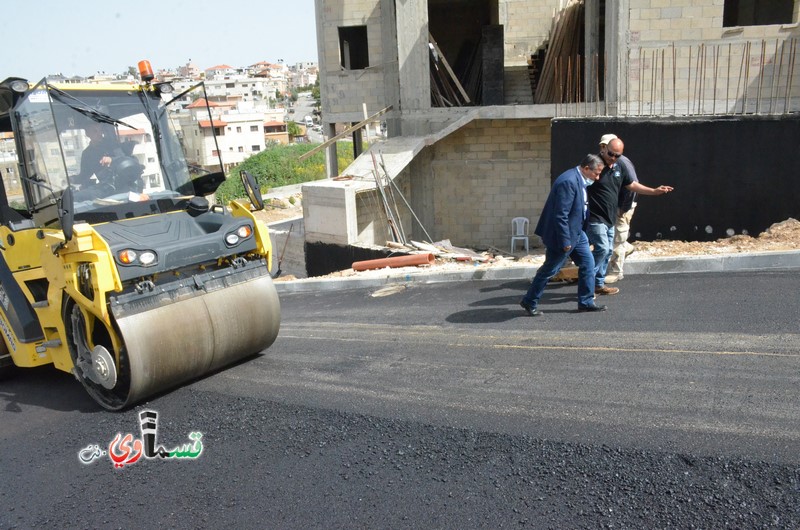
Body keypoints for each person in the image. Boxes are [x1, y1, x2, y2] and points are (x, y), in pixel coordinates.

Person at [519, 154, 607, 316]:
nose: (597, 177)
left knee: (588, 264)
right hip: (562, 235)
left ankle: (586, 302)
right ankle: (530, 301)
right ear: (586, 168)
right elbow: (561, 215)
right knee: (550, 269)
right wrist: (565, 240)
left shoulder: (578, 179)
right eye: (596, 173)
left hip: (577, 233)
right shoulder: (569, 181)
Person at [587, 134, 673, 296]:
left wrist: (654, 191)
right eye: (610, 153)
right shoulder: (594, 164)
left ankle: (598, 284)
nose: (613, 158)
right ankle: (587, 283)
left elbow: (631, 184)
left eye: (616, 155)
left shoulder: (621, 165)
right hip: (595, 216)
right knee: (603, 249)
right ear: (604, 148)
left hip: (611, 216)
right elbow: (581, 182)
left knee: (608, 250)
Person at [602, 134, 639, 283]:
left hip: (622, 206)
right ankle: (627, 248)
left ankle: (616, 271)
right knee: (612, 238)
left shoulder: (622, 162)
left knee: (618, 237)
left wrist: (623, 209)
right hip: (610, 208)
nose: (609, 154)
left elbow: (632, 187)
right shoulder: (602, 161)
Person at [76, 121, 120, 188]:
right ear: (87, 133)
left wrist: (112, 160)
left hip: (120, 183)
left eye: (100, 130)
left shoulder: (112, 145)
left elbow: (124, 159)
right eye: (95, 131)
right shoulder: (86, 154)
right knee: (77, 196)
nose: (99, 133)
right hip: (105, 187)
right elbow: (84, 176)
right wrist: (71, 179)